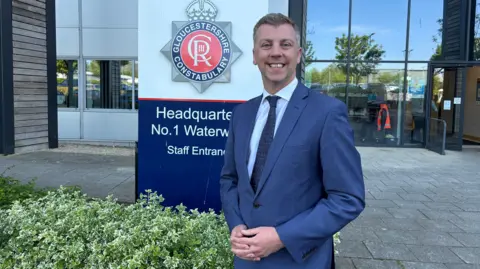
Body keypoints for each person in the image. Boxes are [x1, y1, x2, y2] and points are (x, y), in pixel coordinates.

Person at [219, 13, 365, 269]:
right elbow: (230, 180)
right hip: (246, 260)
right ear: (255, 55)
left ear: (298, 55)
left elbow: (347, 198)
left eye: (285, 45)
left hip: (301, 261)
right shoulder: (241, 114)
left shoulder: (328, 113)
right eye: (266, 45)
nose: (276, 53)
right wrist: (237, 225)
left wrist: (281, 237)